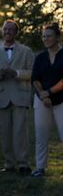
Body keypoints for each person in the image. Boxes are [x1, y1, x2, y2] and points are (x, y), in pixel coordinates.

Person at [0, 20, 34, 174]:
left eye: (11, 29)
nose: (7, 32)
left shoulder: (26, 51)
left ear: (16, 33)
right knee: (5, 132)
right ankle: (9, 164)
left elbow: (32, 73)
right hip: (2, 96)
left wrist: (17, 74)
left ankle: (23, 164)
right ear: (2, 31)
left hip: (20, 95)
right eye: (5, 29)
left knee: (20, 132)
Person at [30, 23, 63, 177]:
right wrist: (43, 94)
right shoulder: (40, 57)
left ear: (57, 37)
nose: (46, 38)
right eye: (44, 36)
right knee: (41, 135)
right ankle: (40, 168)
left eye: (49, 35)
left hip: (61, 100)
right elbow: (35, 79)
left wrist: (48, 92)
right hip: (41, 100)